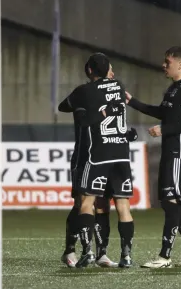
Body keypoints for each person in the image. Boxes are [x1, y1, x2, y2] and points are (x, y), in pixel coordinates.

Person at [126, 46, 181, 268]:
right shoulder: (173, 89)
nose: (163, 65)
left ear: (180, 65)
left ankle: (164, 257)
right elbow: (162, 112)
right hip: (170, 151)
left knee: (171, 203)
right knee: (170, 204)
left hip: (180, 153)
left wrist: (164, 130)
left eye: (167, 62)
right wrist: (132, 101)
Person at [58, 53, 136, 268]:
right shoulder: (116, 87)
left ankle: (98, 252)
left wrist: (82, 106)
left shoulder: (84, 92)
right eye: (111, 69)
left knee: (95, 203)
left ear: (89, 70)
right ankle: (71, 250)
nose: (113, 73)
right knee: (82, 203)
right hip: (87, 154)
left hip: (97, 154)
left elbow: (65, 106)